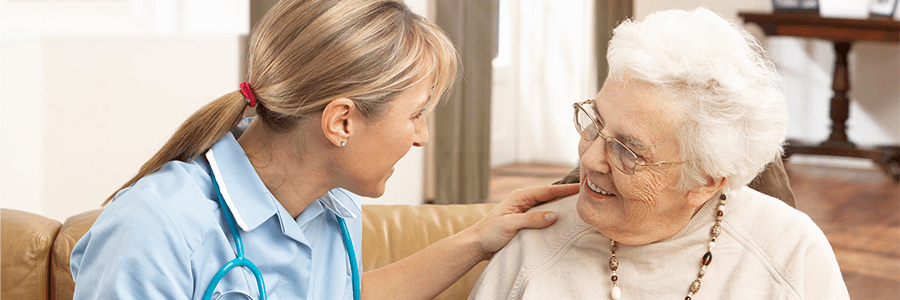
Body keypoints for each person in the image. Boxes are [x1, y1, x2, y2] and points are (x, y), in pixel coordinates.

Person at [69, 1, 578, 299]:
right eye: (416, 114)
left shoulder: (333, 208)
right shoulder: (156, 228)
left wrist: (479, 238)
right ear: (341, 121)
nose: (422, 137)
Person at [468, 8, 849, 300]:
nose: (589, 159)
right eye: (595, 122)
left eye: (627, 150)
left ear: (704, 181)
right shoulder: (534, 243)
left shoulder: (791, 252)